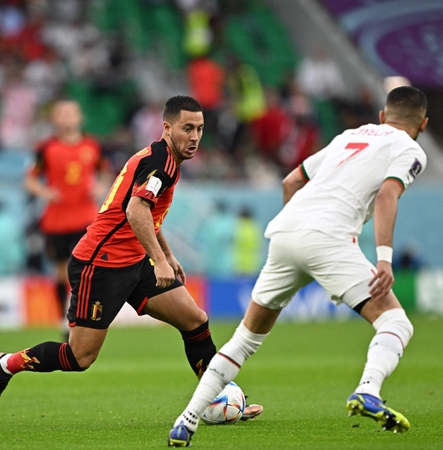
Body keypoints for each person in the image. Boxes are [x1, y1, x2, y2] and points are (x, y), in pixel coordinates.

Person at [168, 86, 429, 447]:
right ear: (423, 125)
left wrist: (300, 249)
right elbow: (387, 194)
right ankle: (368, 389)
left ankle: (187, 420)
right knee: (395, 322)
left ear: (383, 116)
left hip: (286, 230)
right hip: (331, 237)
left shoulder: (349, 136)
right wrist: (384, 258)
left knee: (244, 340)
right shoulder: (410, 149)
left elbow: (291, 180)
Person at [0, 96, 263, 421]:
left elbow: (147, 214)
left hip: (133, 261)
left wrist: (167, 255)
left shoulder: (164, 159)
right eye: (187, 128)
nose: (195, 137)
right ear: (167, 128)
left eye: (200, 129)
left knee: (195, 320)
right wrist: (159, 259)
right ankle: (5, 364)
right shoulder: (161, 164)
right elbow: (135, 210)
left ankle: (217, 399)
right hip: (99, 264)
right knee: (79, 357)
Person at [25, 100, 108, 332]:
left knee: (84, 268)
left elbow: (105, 173)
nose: (67, 118)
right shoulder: (46, 148)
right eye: (61, 113)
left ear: (80, 117)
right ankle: (64, 316)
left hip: (86, 218)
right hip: (56, 221)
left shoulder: (93, 146)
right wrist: (45, 191)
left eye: (71, 113)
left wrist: (99, 188)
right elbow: (30, 179)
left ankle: (84, 315)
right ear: (55, 119)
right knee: (62, 270)